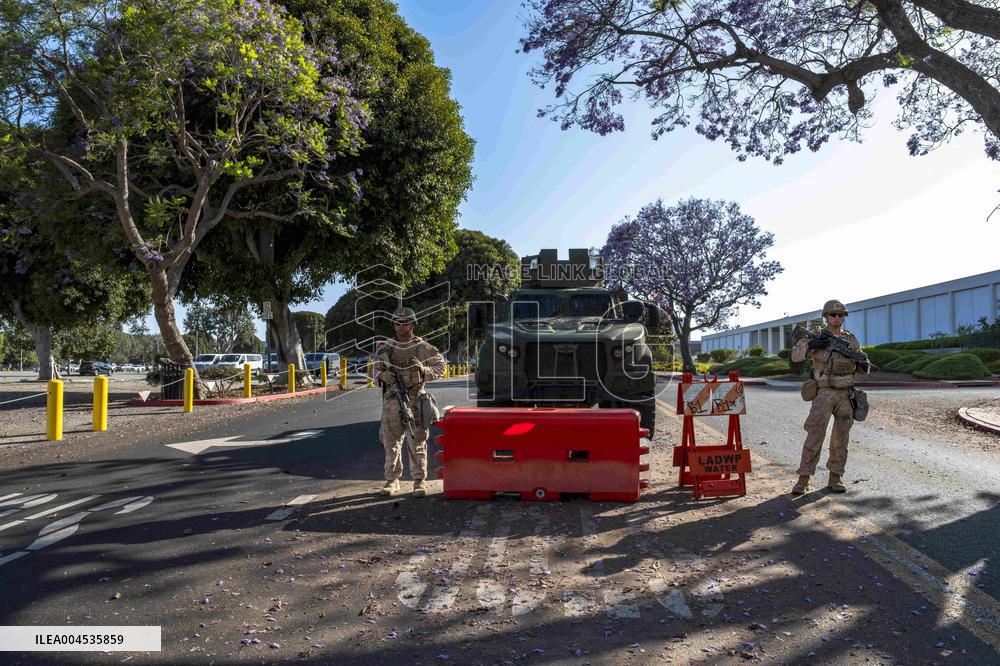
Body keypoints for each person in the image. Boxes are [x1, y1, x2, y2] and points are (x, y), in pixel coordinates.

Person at [790, 299, 869, 495]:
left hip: (846, 393)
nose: (837, 318)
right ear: (826, 316)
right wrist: (812, 345)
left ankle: (835, 477)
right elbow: (796, 357)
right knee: (815, 435)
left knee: (840, 438)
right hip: (823, 392)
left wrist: (863, 362)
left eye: (841, 315)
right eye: (833, 314)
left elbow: (861, 368)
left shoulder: (850, 339)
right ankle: (803, 478)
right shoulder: (817, 336)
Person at [374, 307, 446, 497]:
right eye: (397, 322)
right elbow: (373, 371)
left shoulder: (422, 347)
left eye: (405, 322)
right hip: (392, 400)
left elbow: (441, 367)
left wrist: (423, 371)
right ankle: (392, 481)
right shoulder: (385, 347)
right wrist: (381, 375)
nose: (401, 325)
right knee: (391, 444)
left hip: (415, 400)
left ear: (412, 324)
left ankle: (419, 481)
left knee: (417, 442)